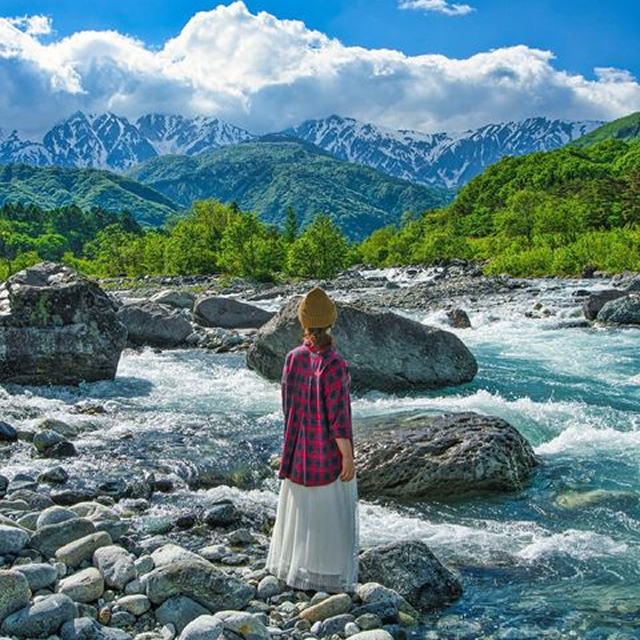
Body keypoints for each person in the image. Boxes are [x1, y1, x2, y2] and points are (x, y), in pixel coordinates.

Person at [266, 286, 359, 593]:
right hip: (326, 455)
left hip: (297, 450)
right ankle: (326, 575)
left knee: (301, 511)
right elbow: (339, 420)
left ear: (303, 324)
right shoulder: (334, 364)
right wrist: (347, 456)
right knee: (329, 512)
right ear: (331, 322)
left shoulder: (292, 358)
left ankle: (298, 567)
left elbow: (287, 405)